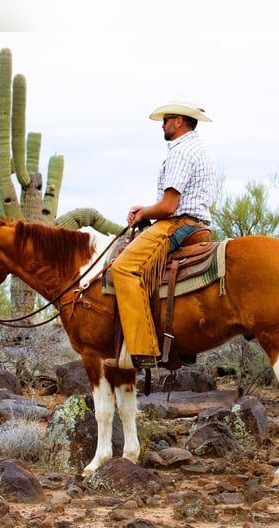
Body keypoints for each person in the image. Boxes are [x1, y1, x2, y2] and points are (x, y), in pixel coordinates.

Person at [104, 100, 218, 370]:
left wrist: (144, 214)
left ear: (179, 121)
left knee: (123, 269)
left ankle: (141, 349)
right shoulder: (200, 148)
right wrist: (147, 209)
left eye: (166, 120)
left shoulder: (181, 151)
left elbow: (169, 206)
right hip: (195, 223)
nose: (163, 125)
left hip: (180, 224)